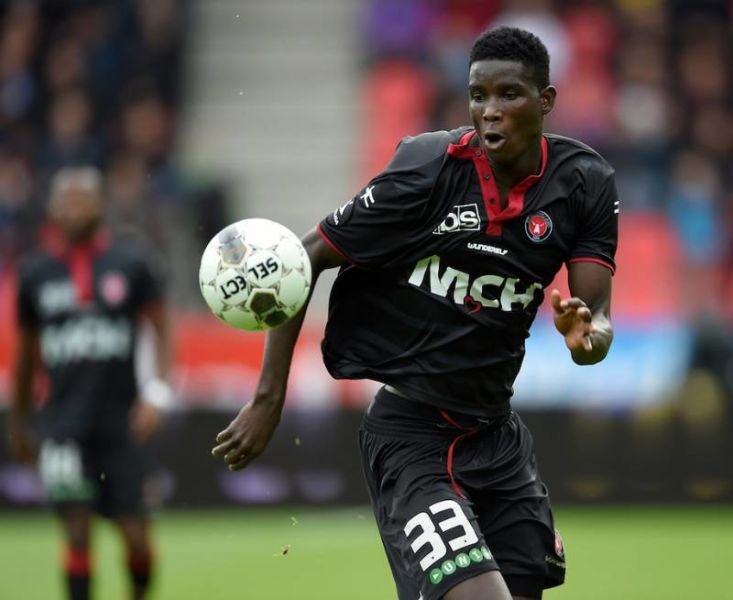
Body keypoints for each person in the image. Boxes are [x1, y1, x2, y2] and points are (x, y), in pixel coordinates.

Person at [212, 26, 617, 600]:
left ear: (545, 100)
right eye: (478, 95)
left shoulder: (584, 183)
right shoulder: (428, 169)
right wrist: (268, 398)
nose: (490, 111)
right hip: (411, 437)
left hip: (497, 437)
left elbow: (595, 322)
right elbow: (301, 259)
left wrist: (588, 337)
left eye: (509, 95)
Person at [8, 166, 172, 600]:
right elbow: (25, 356)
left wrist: (157, 393)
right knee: (77, 533)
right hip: (63, 422)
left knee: (136, 536)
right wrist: (19, 422)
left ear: (101, 205)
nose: (75, 207)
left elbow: (161, 331)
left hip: (122, 421)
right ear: (52, 208)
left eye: (83, 198)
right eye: (67, 199)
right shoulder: (35, 273)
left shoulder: (132, 262)